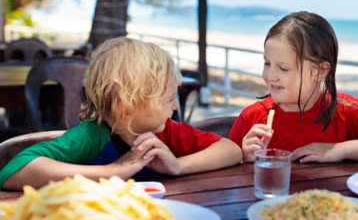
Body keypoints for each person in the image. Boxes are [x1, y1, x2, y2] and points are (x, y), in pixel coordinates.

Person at [0, 37, 243, 190]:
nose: (176, 107)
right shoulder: (91, 136)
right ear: (128, 104)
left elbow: (231, 150)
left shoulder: (167, 132)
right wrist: (112, 171)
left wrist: (177, 166)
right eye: (169, 98)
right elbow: (13, 170)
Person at [228, 11, 358, 163]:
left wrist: (339, 150)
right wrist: (244, 157)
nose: (270, 75)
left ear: (321, 71)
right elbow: (225, 177)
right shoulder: (252, 118)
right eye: (267, 63)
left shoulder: (346, 110)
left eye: (283, 68)